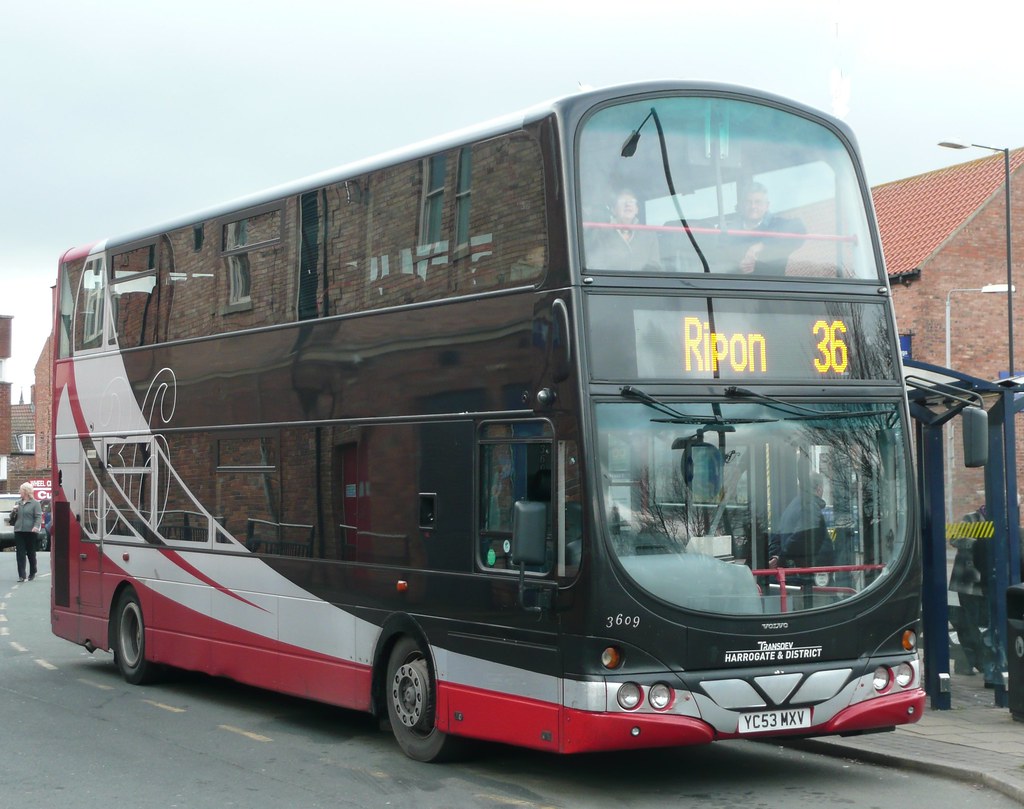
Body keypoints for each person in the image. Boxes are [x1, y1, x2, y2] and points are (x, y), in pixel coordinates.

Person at [948, 505, 993, 677]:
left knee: (984, 622)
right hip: (967, 581)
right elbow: (954, 538)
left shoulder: (999, 521)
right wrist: (978, 543)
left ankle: (978, 660)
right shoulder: (971, 518)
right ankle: (968, 661)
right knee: (969, 622)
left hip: (986, 581)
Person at [724, 182, 805, 274]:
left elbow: (799, 230)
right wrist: (738, 267)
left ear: (767, 206)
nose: (753, 206)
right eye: (749, 202)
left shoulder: (777, 224)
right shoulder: (730, 232)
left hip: (771, 285)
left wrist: (761, 245)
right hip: (736, 286)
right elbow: (719, 261)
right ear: (742, 205)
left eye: (757, 202)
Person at [769, 471, 832, 578]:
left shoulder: (790, 507)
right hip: (810, 574)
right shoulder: (811, 508)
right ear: (819, 489)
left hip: (793, 573)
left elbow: (777, 537)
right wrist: (781, 559)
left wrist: (776, 557)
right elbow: (800, 537)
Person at [585, 188, 662, 271]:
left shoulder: (649, 235)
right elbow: (594, 265)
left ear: (637, 210)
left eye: (632, 201)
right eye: (623, 201)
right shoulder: (600, 233)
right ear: (613, 210)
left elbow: (654, 267)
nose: (628, 204)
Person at [11, 482, 42, 582]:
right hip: (19, 530)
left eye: (21, 490)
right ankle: (22, 575)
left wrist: (36, 526)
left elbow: (38, 517)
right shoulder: (18, 503)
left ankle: (33, 571)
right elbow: (12, 518)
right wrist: (14, 511)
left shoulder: (35, 503)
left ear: (26, 491)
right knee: (20, 553)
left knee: (30, 552)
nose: (19, 492)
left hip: (30, 531)